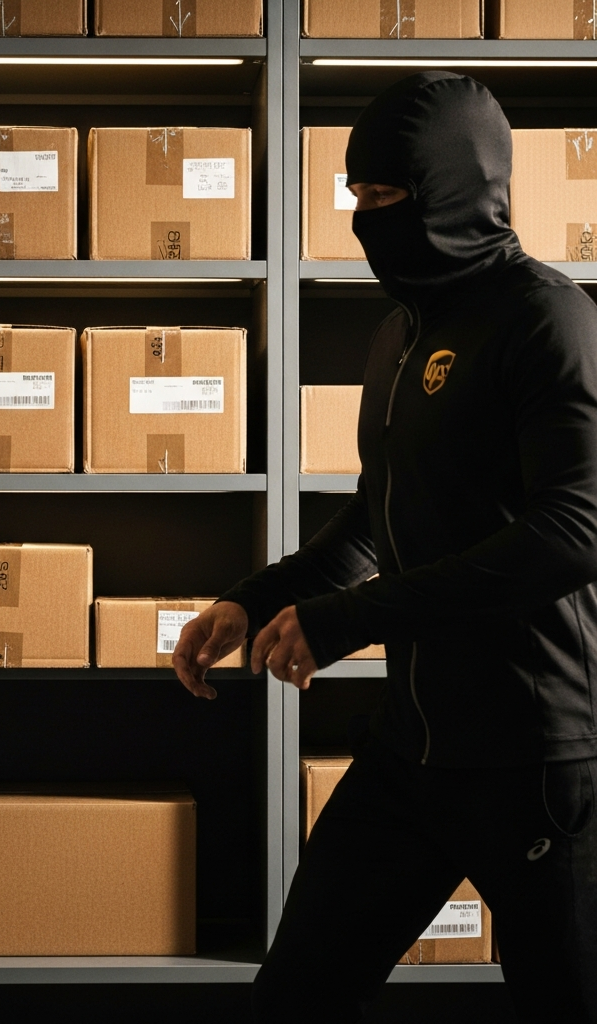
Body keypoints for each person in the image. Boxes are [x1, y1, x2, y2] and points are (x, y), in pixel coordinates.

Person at [173, 71, 597, 1022]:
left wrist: (350, 620)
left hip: (533, 760)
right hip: (412, 748)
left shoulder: (547, 319)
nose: (369, 221)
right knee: (296, 998)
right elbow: (379, 515)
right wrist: (254, 597)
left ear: (458, 188)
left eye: (389, 198)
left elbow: (575, 533)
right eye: (357, 198)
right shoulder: (398, 335)